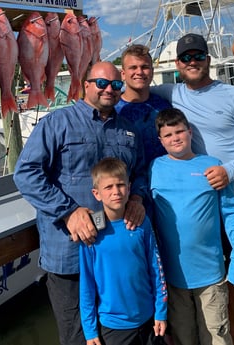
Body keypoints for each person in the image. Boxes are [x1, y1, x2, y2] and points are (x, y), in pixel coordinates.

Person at [13, 61, 147, 345]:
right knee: (77, 337)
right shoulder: (56, 123)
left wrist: (137, 197)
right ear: (86, 85)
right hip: (69, 255)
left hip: (116, 253)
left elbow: (141, 173)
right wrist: (68, 212)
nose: (109, 89)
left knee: (117, 334)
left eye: (116, 85)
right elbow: (26, 173)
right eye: (101, 83)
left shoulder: (129, 131)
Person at [151, 33, 234, 345]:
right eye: (186, 57)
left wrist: (230, 171)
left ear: (209, 59)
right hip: (200, 197)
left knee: (224, 310)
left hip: (230, 189)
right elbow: (136, 86)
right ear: (177, 64)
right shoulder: (170, 92)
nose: (192, 62)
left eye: (198, 56)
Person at [80, 157, 167, 345]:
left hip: (148, 319)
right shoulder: (91, 231)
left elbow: (156, 269)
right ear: (96, 194)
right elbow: (86, 285)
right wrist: (90, 330)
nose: (115, 192)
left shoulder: (141, 222)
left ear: (129, 187)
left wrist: (161, 311)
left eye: (120, 185)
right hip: (113, 327)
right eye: (108, 187)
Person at [115, 44, 172, 167]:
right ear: (123, 74)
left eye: (145, 67)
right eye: (133, 67)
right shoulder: (112, 109)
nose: (139, 72)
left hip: (160, 179)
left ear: (152, 71)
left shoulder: (164, 107)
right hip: (126, 182)